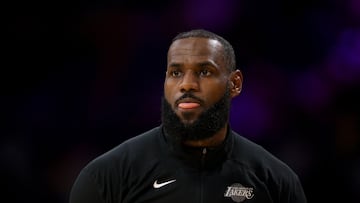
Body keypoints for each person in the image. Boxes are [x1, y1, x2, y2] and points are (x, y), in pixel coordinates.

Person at [69, 29, 307, 203]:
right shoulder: (107, 177)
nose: (187, 84)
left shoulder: (275, 180)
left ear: (234, 83)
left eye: (204, 71)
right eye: (176, 72)